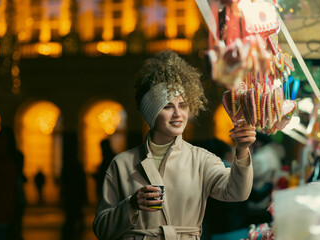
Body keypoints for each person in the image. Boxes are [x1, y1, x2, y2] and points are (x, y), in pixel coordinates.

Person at [92, 50, 256, 240]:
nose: (178, 114)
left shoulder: (201, 159)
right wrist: (131, 205)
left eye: (183, 105)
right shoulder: (121, 164)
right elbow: (101, 229)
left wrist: (242, 150)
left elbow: (237, 192)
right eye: (168, 106)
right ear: (151, 113)